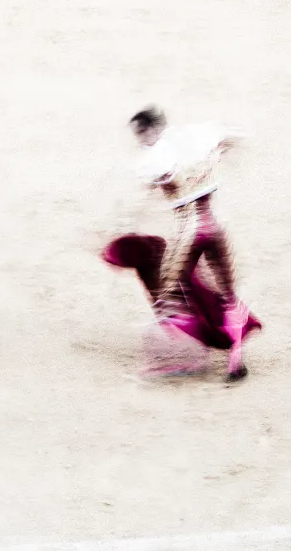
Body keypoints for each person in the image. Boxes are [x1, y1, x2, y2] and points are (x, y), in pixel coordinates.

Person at [102, 106, 261, 381]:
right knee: (227, 297)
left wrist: (126, 225)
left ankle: (175, 361)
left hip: (188, 231)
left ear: (151, 128)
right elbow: (234, 137)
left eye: (140, 133)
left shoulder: (154, 157)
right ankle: (235, 360)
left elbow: (149, 194)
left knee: (168, 297)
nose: (140, 140)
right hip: (215, 226)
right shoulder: (197, 136)